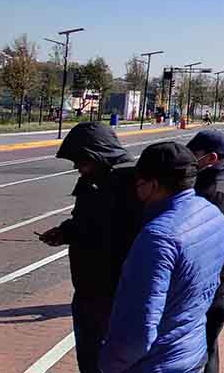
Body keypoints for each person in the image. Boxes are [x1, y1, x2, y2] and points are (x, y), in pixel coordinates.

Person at [98, 141, 224, 373]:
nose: (136, 190)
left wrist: (109, 365)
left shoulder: (157, 238)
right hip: (192, 352)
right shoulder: (212, 214)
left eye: (139, 182)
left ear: (154, 184)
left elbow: (140, 328)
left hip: (156, 363)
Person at [37, 123, 143, 373]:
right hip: (88, 289)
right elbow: (85, 221)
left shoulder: (130, 183)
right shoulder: (91, 181)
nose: (77, 167)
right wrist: (65, 232)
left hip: (113, 293)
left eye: (81, 161)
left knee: (109, 362)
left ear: (98, 156)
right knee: (89, 359)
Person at [187, 129, 224, 373]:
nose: (190, 160)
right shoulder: (218, 184)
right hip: (215, 285)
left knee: (201, 352)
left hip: (210, 287)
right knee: (207, 350)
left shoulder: (217, 192)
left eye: (194, 155)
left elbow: (208, 246)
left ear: (211, 157)